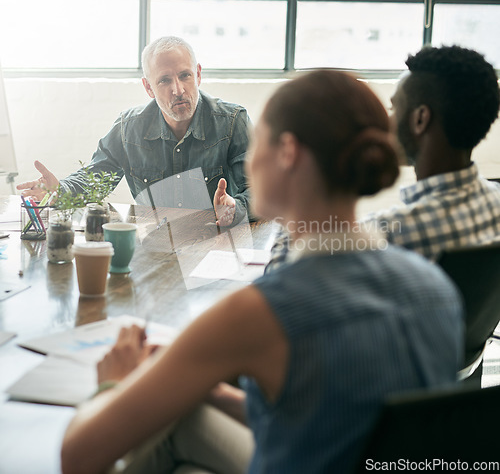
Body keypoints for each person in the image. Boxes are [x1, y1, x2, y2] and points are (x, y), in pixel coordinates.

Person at [61, 70, 463, 474]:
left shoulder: (259, 312)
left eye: (259, 145)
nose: (249, 162)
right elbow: (334, 418)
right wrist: (210, 390)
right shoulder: (438, 288)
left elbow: (77, 455)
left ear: (287, 153)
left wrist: (114, 383)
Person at [266, 45, 500, 271]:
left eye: (394, 108)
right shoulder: (496, 203)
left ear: (420, 120)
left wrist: (302, 186)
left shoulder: (385, 233)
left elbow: (281, 279)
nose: (388, 121)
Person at [16, 36, 252, 226]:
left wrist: (234, 207)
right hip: (156, 246)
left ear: (198, 74)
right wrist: (59, 191)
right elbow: (95, 178)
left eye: (185, 76)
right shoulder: (128, 128)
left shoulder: (232, 122)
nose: (178, 89)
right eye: (164, 81)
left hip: (216, 242)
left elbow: (259, 192)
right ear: (148, 87)